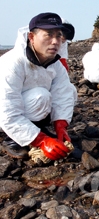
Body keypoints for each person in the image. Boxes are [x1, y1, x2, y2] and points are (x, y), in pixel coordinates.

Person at [0, 12, 77, 160]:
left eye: (59, 36)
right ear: (31, 37)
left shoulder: (55, 64)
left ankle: (35, 130)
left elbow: (62, 94)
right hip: (3, 115)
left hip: (24, 108)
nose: (55, 41)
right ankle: (12, 140)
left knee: (70, 90)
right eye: (48, 35)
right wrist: (41, 140)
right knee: (40, 96)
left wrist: (61, 123)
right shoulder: (13, 63)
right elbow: (7, 110)